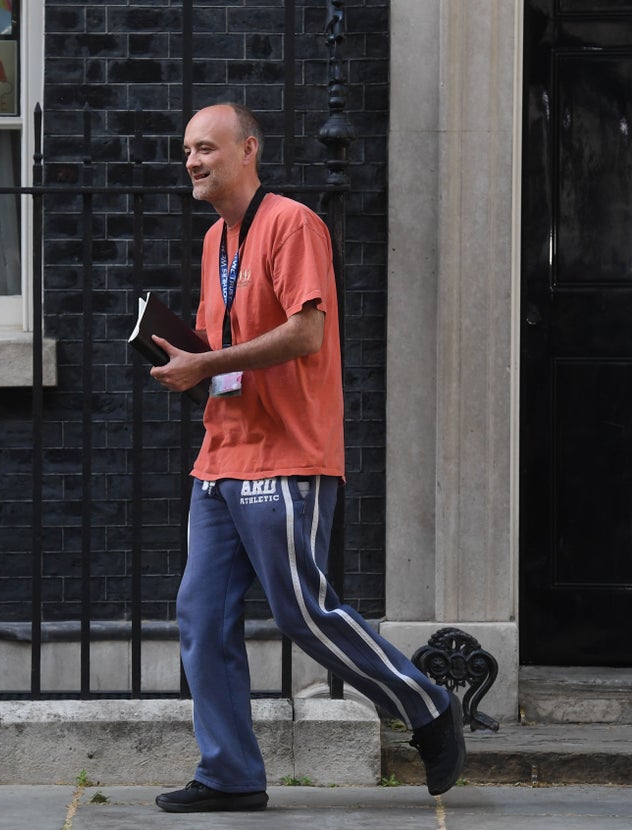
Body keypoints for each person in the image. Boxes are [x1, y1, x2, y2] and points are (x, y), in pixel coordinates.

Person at [148, 102, 465, 814]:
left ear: (248, 149)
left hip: (287, 455)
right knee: (200, 615)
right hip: (220, 454)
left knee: (303, 612)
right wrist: (181, 355)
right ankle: (229, 772)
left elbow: (305, 334)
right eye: (188, 151)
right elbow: (220, 342)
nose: (193, 161)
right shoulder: (214, 243)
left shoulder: (293, 224)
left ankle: (428, 704)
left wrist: (210, 361)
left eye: (206, 148)